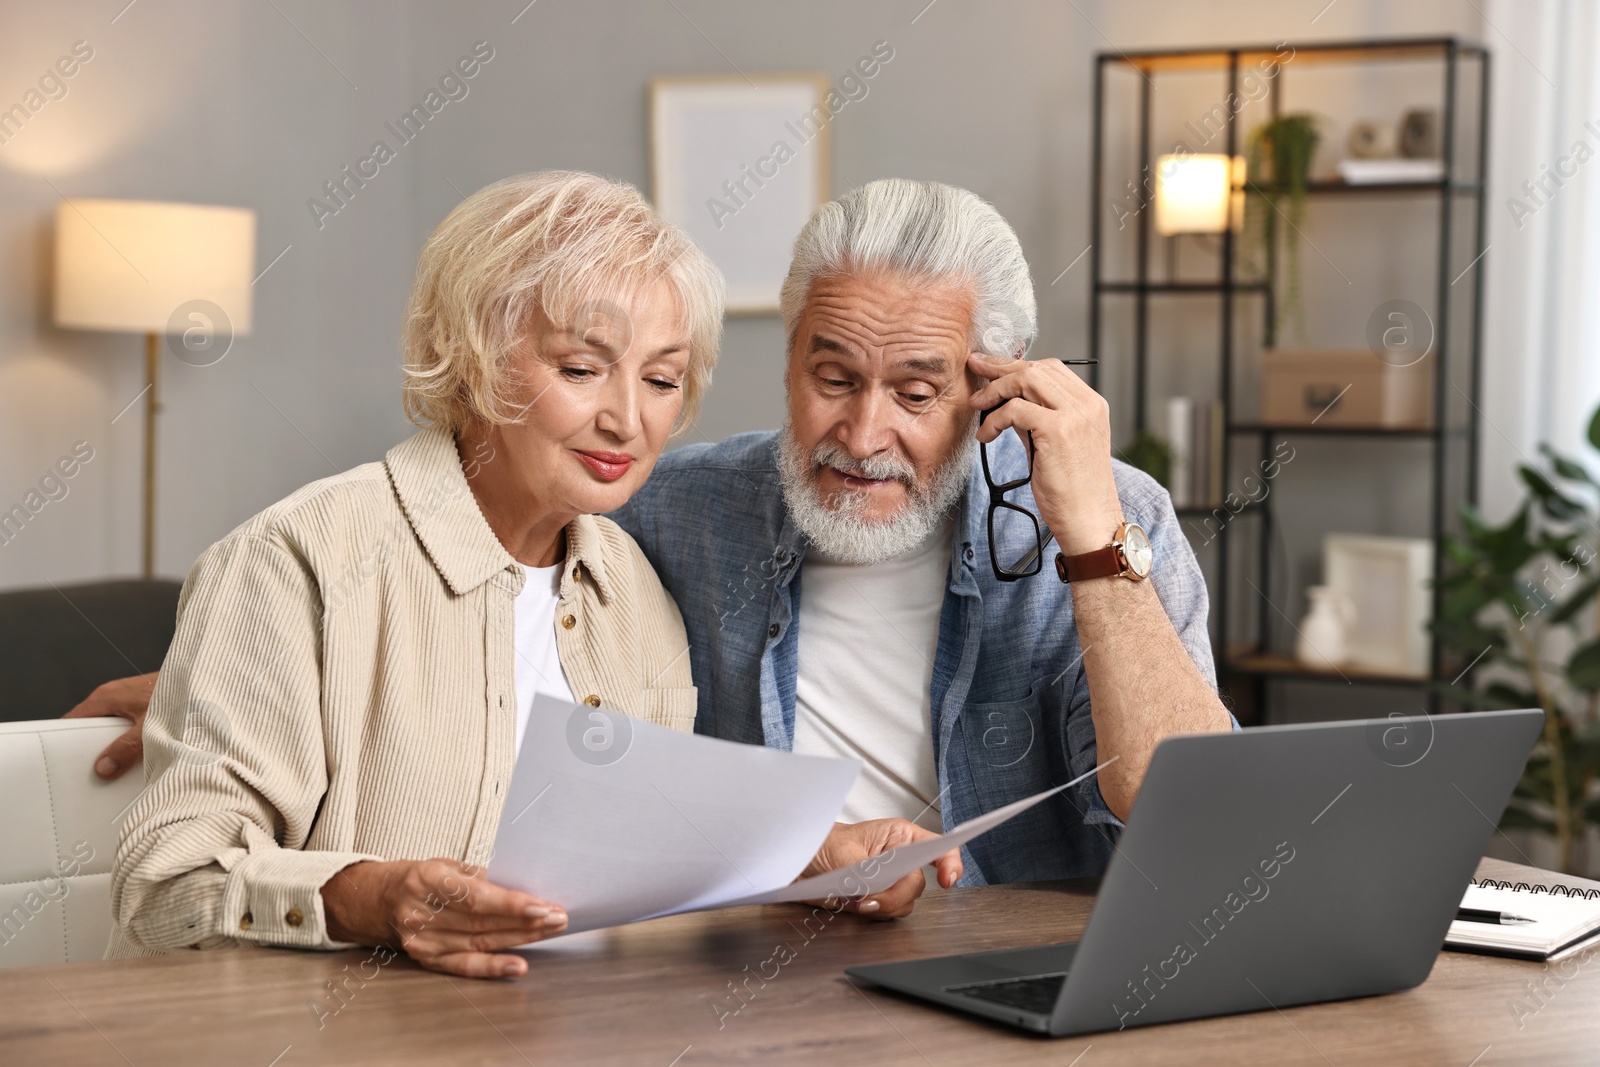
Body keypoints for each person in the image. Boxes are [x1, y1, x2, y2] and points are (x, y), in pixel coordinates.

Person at [108, 172, 958, 981]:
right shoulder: (297, 559)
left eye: (661, 379)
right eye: (581, 368)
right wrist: (369, 897)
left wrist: (812, 854)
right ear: (471, 354)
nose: (627, 418)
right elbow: (164, 886)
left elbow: (647, 845)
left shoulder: (635, 592)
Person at [608, 178, 1234, 884]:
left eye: (914, 394)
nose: (865, 435)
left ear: (996, 382)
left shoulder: (1116, 512)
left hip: (1018, 972)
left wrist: (1094, 539)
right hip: (770, 966)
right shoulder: (669, 508)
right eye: (834, 378)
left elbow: (1196, 820)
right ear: (790, 360)